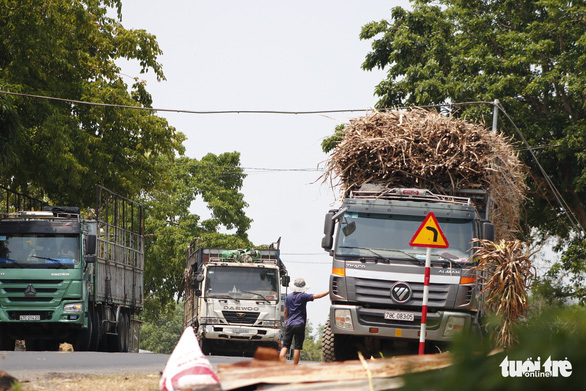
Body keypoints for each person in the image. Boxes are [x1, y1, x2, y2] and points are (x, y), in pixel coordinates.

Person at [279, 278, 329, 364]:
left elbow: (285, 310)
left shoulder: (289, 297)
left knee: (285, 346)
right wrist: (329, 290)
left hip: (289, 324)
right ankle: (295, 366)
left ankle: (278, 364)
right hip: (300, 324)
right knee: (297, 347)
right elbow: (318, 296)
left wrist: (286, 320)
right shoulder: (303, 296)